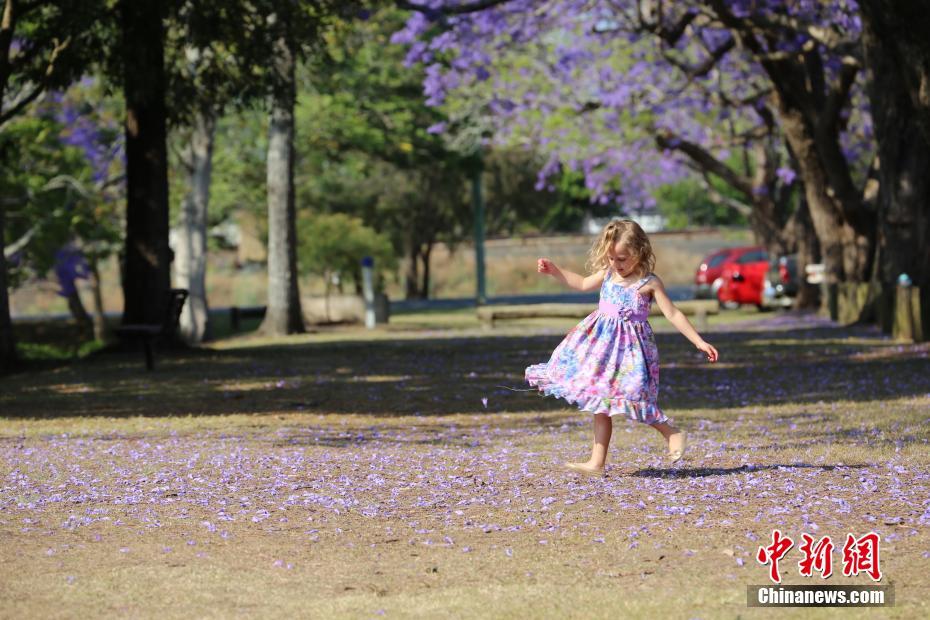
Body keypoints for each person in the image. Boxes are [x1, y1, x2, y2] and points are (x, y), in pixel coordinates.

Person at [526, 219, 718, 476]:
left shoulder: (649, 283)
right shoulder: (608, 274)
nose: (617, 264)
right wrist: (555, 271)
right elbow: (581, 283)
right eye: (613, 258)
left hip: (630, 352)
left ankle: (672, 433)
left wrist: (698, 341)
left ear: (639, 252)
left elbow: (673, 313)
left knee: (634, 397)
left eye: (623, 259)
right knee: (599, 401)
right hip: (601, 349)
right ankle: (596, 462)